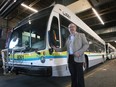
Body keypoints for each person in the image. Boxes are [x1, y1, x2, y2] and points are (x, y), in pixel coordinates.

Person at [52, 23, 89, 87]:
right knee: (73, 76)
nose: (71, 28)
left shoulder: (81, 35)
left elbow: (86, 45)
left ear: (75, 28)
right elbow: (65, 48)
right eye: (69, 27)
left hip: (78, 58)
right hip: (70, 59)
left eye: (72, 27)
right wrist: (56, 49)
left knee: (79, 76)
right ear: (68, 29)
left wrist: (79, 52)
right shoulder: (68, 38)